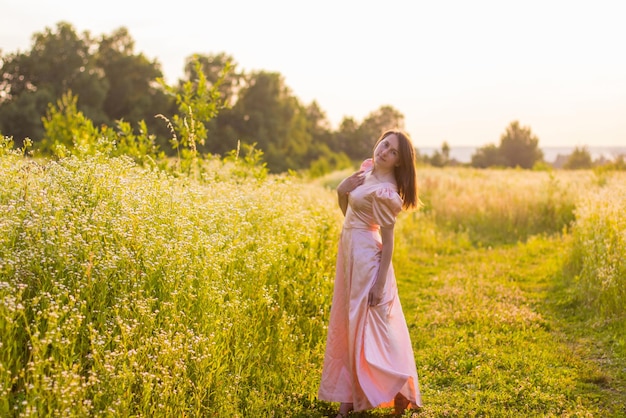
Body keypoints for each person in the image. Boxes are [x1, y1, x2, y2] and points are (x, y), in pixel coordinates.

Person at [318, 129, 422, 417]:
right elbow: (351, 216)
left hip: (367, 260)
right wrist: (341, 191)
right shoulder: (365, 173)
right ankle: (364, 392)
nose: (384, 152)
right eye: (385, 144)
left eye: (393, 152)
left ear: (399, 163)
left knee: (365, 325)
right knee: (350, 321)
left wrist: (379, 283)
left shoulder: (387, 192)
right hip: (349, 251)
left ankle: (374, 391)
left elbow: (388, 243)